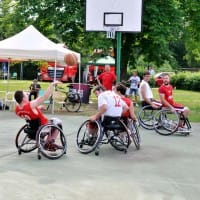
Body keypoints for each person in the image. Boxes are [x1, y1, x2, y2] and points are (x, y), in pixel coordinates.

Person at [14, 81, 62, 151]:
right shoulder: (30, 105)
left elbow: (28, 114)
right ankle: (48, 143)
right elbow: (44, 97)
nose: (27, 95)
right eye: (26, 94)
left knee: (53, 121)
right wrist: (51, 85)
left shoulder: (17, 110)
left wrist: (38, 108)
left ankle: (48, 142)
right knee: (58, 122)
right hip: (42, 127)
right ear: (23, 98)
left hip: (31, 129)